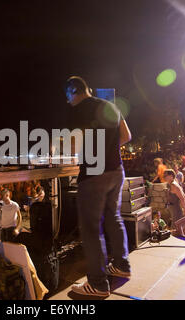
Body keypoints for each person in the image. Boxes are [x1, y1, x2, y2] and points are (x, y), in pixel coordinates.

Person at [65, 76, 132, 297]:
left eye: (68, 96)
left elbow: (74, 144)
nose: (68, 102)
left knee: (91, 229)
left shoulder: (79, 110)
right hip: (116, 171)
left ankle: (98, 284)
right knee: (113, 217)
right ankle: (122, 265)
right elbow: (126, 136)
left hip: (94, 176)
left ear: (74, 92)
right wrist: (107, 148)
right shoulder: (110, 105)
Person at [163, 169, 185, 234]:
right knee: (178, 227)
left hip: (176, 209)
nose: (164, 177)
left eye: (166, 175)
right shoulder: (172, 183)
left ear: (171, 176)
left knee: (177, 228)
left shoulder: (174, 185)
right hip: (174, 209)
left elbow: (183, 198)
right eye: (164, 175)